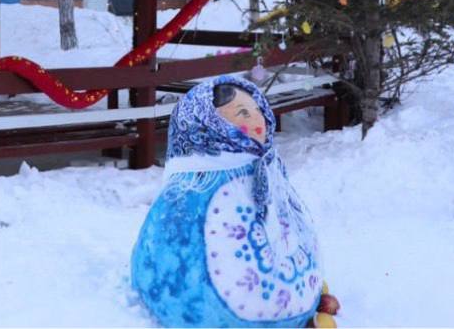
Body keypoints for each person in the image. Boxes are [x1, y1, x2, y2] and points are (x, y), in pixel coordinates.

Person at [131, 76, 335, 327]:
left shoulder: (265, 167)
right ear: (206, 124)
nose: (258, 120)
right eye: (242, 113)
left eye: (258, 110)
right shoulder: (193, 187)